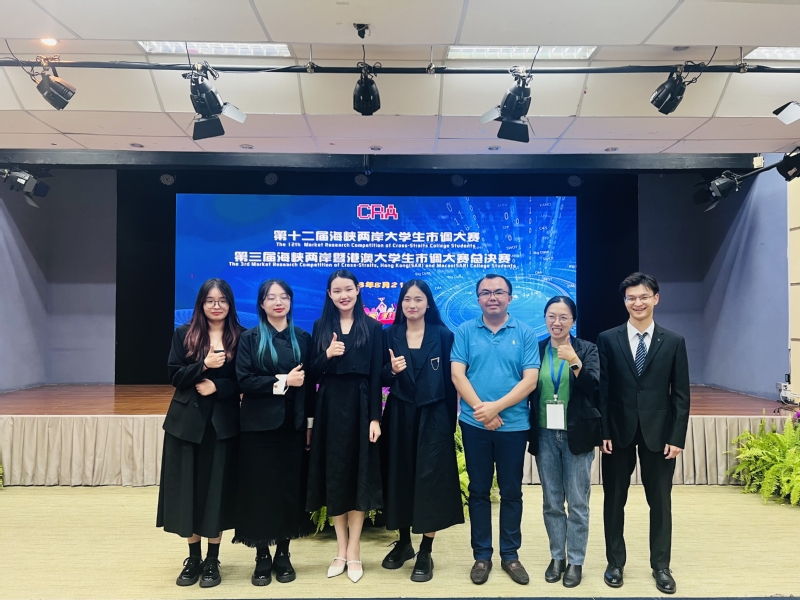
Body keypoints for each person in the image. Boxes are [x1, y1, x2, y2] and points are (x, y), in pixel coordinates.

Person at [598, 272, 690, 595]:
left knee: (660, 502)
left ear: (656, 299)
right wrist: (604, 430)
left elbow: (681, 395)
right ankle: (615, 563)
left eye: (644, 297)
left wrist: (677, 437)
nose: (637, 303)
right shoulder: (608, 339)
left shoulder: (674, 341)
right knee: (614, 501)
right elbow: (603, 390)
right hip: (617, 433)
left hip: (659, 434)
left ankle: (661, 566)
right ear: (625, 301)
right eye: (631, 298)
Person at [450, 274, 540, 586]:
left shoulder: (525, 333)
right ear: (478, 299)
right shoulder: (464, 331)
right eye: (486, 293)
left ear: (510, 298)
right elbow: (458, 375)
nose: (492, 297)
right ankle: (482, 556)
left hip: (513, 426)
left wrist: (496, 408)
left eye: (499, 292)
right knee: (478, 490)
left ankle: (510, 555)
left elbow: (530, 380)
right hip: (474, 424)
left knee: (511, 491)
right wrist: (482, 411)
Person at [157, 278, 244, 588]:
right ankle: (193, 557)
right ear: (201, 304)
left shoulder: (241, 337)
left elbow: (244, 381)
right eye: (210, 301)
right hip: (186, 426)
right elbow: (174, 375)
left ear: (230, 304)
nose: (216, 306)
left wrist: (217, 386)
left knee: (215, 492)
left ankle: (212, 559)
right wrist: (203, 366)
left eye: (222, 300)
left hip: (222, 425)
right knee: (189, 491)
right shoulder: (184, 334)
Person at [379, 280, 464, 582]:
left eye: (418, 299)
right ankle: (404, 543)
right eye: (407, 299)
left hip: (434, 415)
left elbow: (452, 382)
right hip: (399, 415)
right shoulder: (388, 334)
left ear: (428, 303)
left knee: (431, 482)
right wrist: (391, 371)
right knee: (400, 477)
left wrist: (449, 423)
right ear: (400, 304)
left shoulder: (443, 335)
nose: (412, 305)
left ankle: (426, 550)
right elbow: (380, 378)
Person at [233, 279, 315, 586]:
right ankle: (262, 555)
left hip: (293, 427)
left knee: (288, 490)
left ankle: (283, 553)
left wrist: (309, 425)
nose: (278, 302)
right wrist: (282, 382)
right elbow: (244, 380)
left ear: (291, 302)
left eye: (283, 297)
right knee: (261, 491)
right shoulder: (249, 338)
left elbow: (309, 387)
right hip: (258, 427)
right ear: (261, 304)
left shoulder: (302, 338)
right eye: (271, 297)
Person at [306, 270, 384, 583]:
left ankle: (354, 550)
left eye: (348, 289)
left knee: (358, 474)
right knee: (336, 476)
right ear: (329, 294)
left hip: (361, 404)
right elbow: (312, 373)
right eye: (337, 291)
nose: (343, 295)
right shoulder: (321, 326)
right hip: (330, 405)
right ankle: (340, 549)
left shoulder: (373, 327)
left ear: (358, 290)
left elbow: (376, 376)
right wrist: (326, 355)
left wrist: (375, 417)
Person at [527, 296, 600, 588]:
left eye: (563, 317)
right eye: (551, 317)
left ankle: (576, 561)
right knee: (552, 501)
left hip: (576, 433)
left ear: (573, 320)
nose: (557, 323)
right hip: (545, 433)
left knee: (578, 502)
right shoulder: (537, 348)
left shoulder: (587, 349)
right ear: (545, 318)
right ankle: (557, 557)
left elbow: (593, 386)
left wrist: (574, 361)